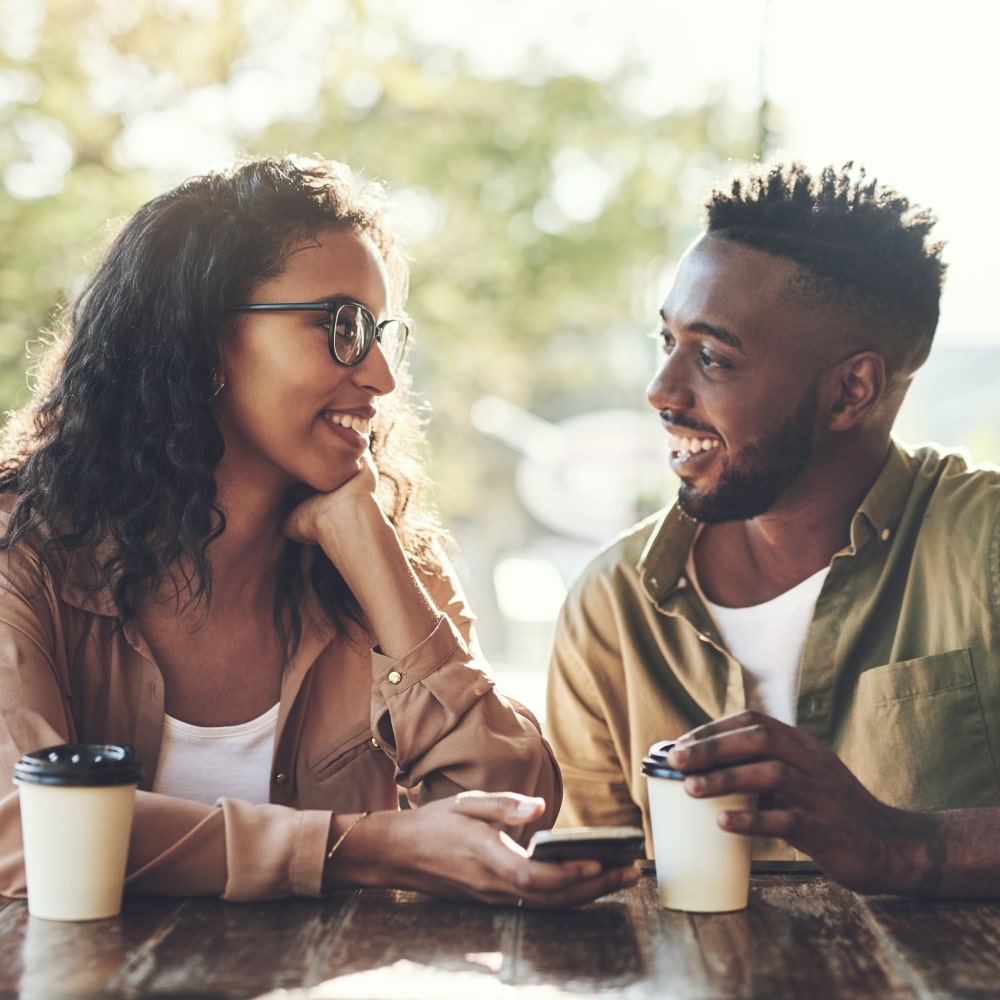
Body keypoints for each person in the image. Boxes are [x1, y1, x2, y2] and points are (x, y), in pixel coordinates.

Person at [0, 154, 638, 907]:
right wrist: (364, 848)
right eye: (341, 326)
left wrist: (369, 544)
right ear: (203, 339)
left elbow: (511, 815)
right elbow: (26, 835)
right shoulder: (25, 553)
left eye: (381, 333)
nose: (381, 377)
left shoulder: (386, 555)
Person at [546, 159, 1000, 898]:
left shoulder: (985, 550)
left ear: (850, 391)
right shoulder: (614, 606)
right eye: (667, 342)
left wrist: (901, 844)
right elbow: (598, 901)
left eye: (713, 357)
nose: (661, 391)